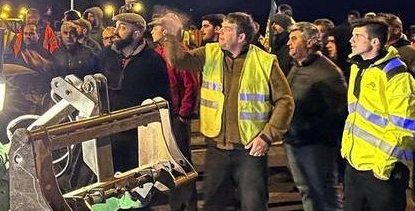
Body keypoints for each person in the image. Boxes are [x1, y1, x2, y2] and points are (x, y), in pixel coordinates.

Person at [159, 12, 294, 211]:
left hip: (250, 149)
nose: (220, 31)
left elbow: (285, 101)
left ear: (242, 37)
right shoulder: (210, 52)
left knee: (253, 204)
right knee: (214, 203)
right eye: (221, 27)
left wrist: (267, 136)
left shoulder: (265, 61)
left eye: (228, 29)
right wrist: (171, 36)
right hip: (217, 149)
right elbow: (180, 61)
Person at [341, 18, 415, 211]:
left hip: (382, 170)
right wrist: (349, 152)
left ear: (375, 42)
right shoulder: (358, 68)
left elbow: (403, 128)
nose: (351, 40)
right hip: (355, 164)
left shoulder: (398, 77)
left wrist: (381, 167)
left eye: (357, 36)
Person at [284, 22, 347, 211]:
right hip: (295, 141)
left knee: (323, 192)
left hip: (316, 145)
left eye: (294, 38)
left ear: (310, 42)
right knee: (306, 191)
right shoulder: (296, 67)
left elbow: (338, 114)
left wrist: (306, 126)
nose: (288, 43)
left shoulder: (328, 72)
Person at [96, 13, 171, 171]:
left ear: (136, 34)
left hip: (137, 135)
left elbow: (163, 97)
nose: (115, 32)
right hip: (108, 131)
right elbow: (84, 72)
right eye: (116, 26)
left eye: (122, 28)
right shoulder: (106, 54)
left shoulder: (153, 60)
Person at [149, 17, 199, 211]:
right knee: (170, 163)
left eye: (156, 28)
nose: (152, 31)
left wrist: (183, 114)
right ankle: (176, 205)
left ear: (166, 31)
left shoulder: (178, 52)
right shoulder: (158, 53)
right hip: (163, 115)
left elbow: (191, 85)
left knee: (182, 162)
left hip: (176, 116)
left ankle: (187, 205)